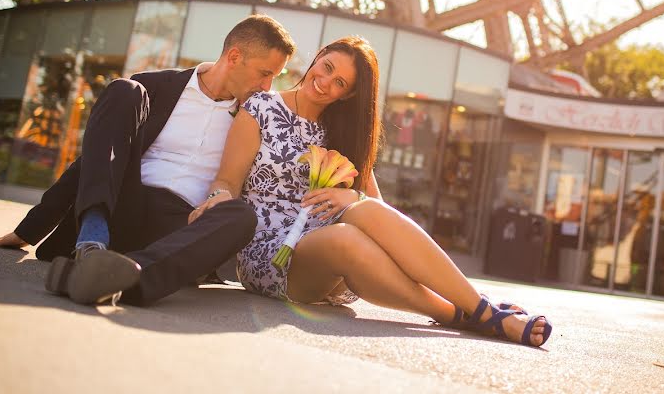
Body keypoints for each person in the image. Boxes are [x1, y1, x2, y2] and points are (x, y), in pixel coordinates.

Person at [194, 36, 552, 347]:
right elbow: (227, 181)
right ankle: (466, 313)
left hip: (332, 248)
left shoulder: (342, 132)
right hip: (273, 253)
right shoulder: (261, 108)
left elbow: (379, 215)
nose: (325, 82)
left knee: (361, 212)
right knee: (346, 237)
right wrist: (216, 200)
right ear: (317, 58)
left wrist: (353, 197)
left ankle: (476, 309)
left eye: (339, 83)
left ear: (347, 95)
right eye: (327, 67)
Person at [0, 14, 296, 306]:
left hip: (180, 229)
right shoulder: (153, 87)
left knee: (240, 216)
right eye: (264, 73)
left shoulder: (254, 118)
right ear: (234, 56)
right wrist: (29, 230)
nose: (267, 86)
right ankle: (92, 242)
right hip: (123, 207)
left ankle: (112, 280)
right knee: (124, 90)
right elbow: (98, 157)